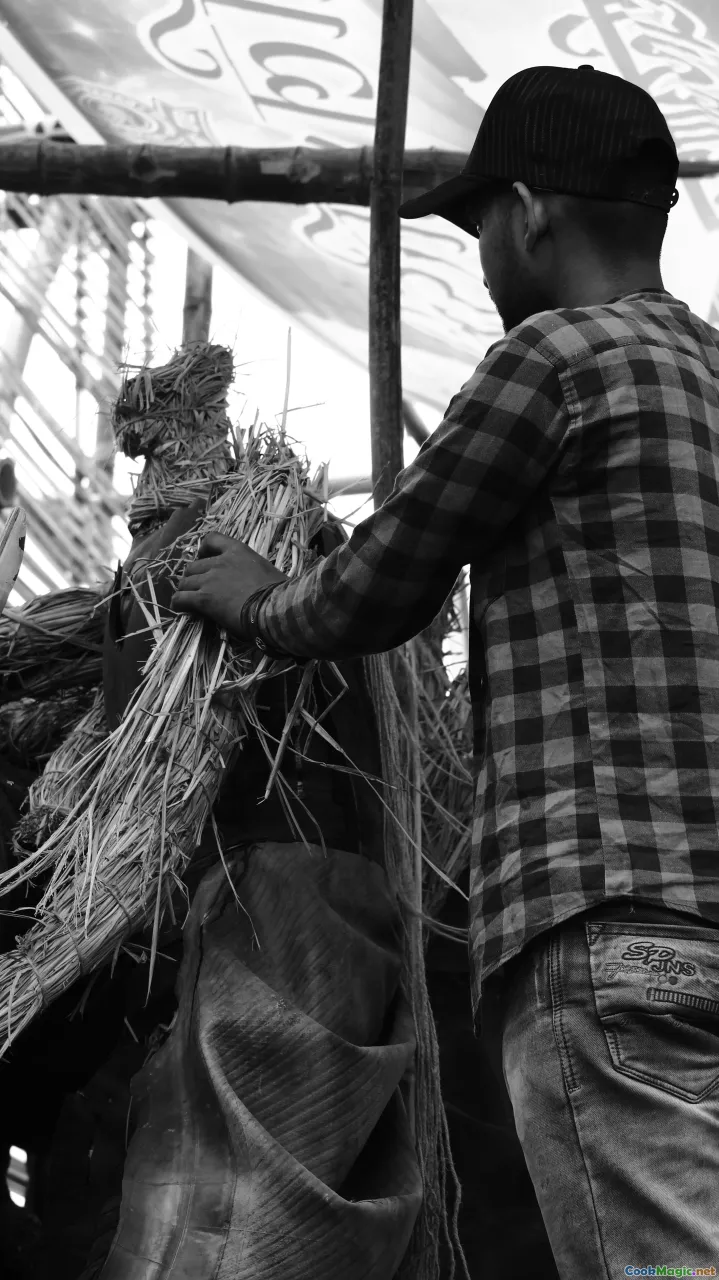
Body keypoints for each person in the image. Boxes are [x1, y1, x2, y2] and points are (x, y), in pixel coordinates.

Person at [172, 65, 719, 1280]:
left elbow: (382, 580)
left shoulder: (553, 359)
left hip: (603, 921)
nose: (477, 263)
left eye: (478, 229)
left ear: (529, 212)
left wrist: (253, 597)